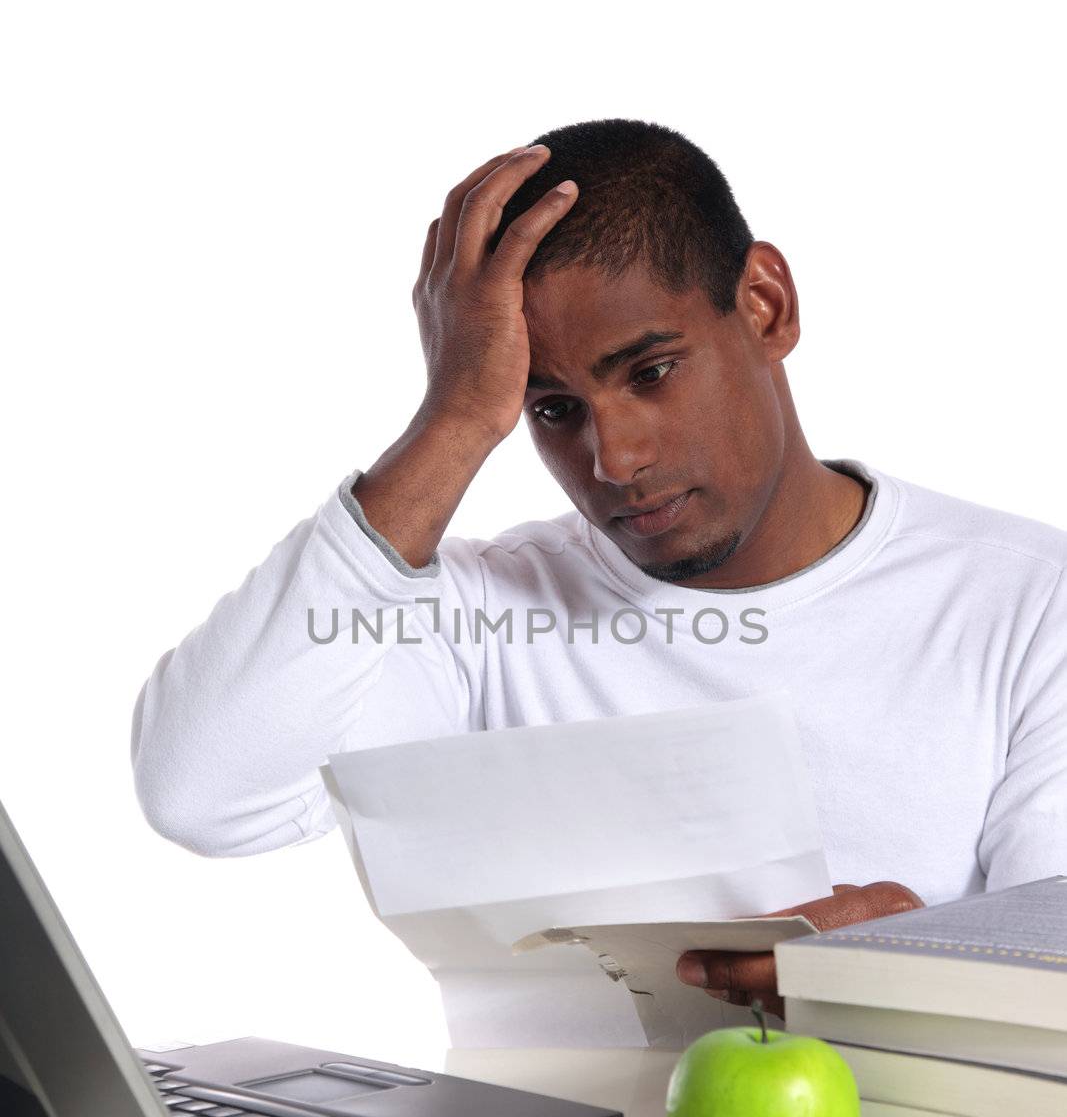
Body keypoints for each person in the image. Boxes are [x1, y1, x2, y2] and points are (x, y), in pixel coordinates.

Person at [131, 119, 1067, 1021]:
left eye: (650, 372)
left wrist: (930, 969)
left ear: (764, 305)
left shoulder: (1026, 602)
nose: (612, 459)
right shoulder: (485, 615)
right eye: (549, 411)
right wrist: (453, 421)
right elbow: (203, 794)